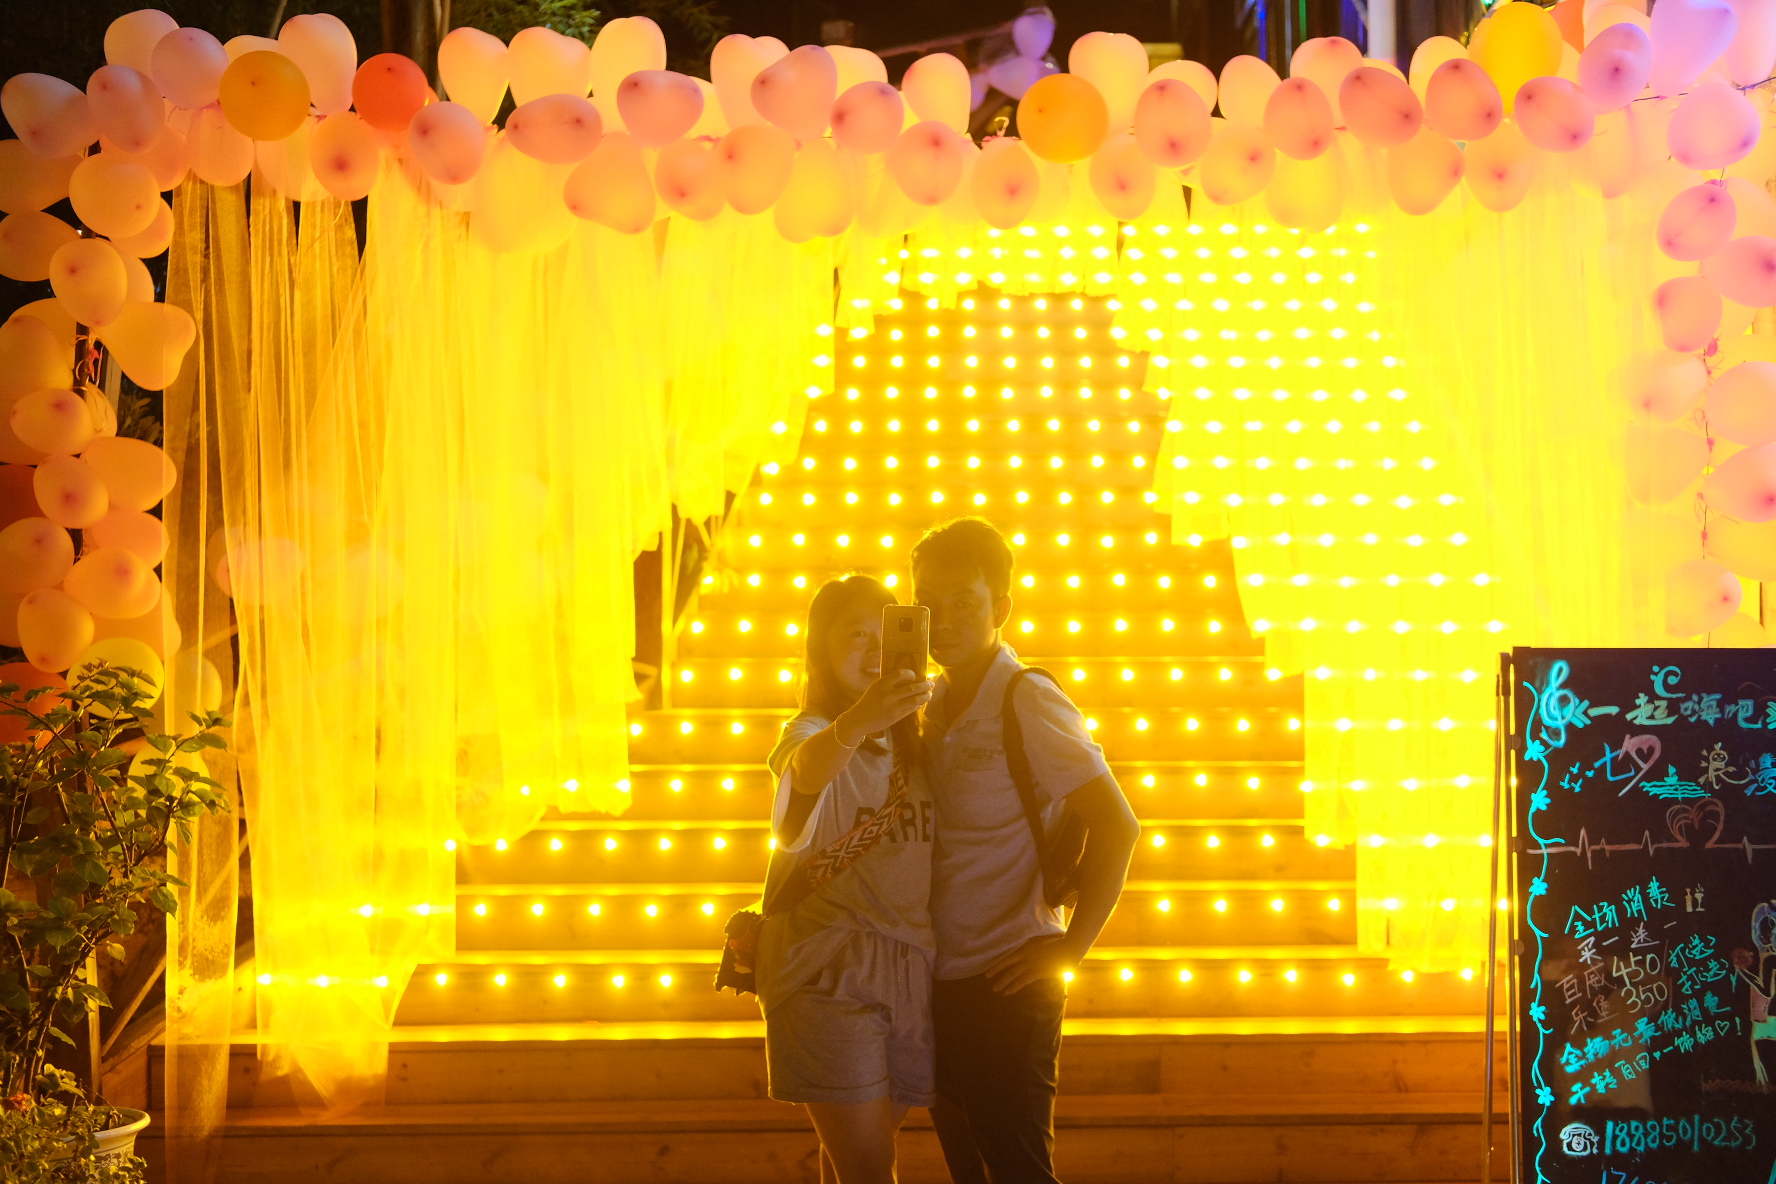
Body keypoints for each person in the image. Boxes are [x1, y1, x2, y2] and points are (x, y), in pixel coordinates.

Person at [911, 518, 1142, 1184]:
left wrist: (1072, 949)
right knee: (970, 1169)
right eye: (927, 604)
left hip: (1007, 979)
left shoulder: (1027, 698)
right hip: (936, 977)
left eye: (964, 603)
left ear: (1001, 610)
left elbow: (1118, 825)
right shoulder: (929, 702)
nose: (943, 621)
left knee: (1017, 1169)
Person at [757, 574, 937, 1184]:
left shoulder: (921, 740)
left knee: (857, 1160)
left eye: (886, 635)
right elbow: (806, 770)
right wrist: (860, 720)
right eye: (857, 635)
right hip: (828, 964)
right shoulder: (811, 731)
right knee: (868, 1166)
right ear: (822, 650)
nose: (874, 650)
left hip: (911, 965)